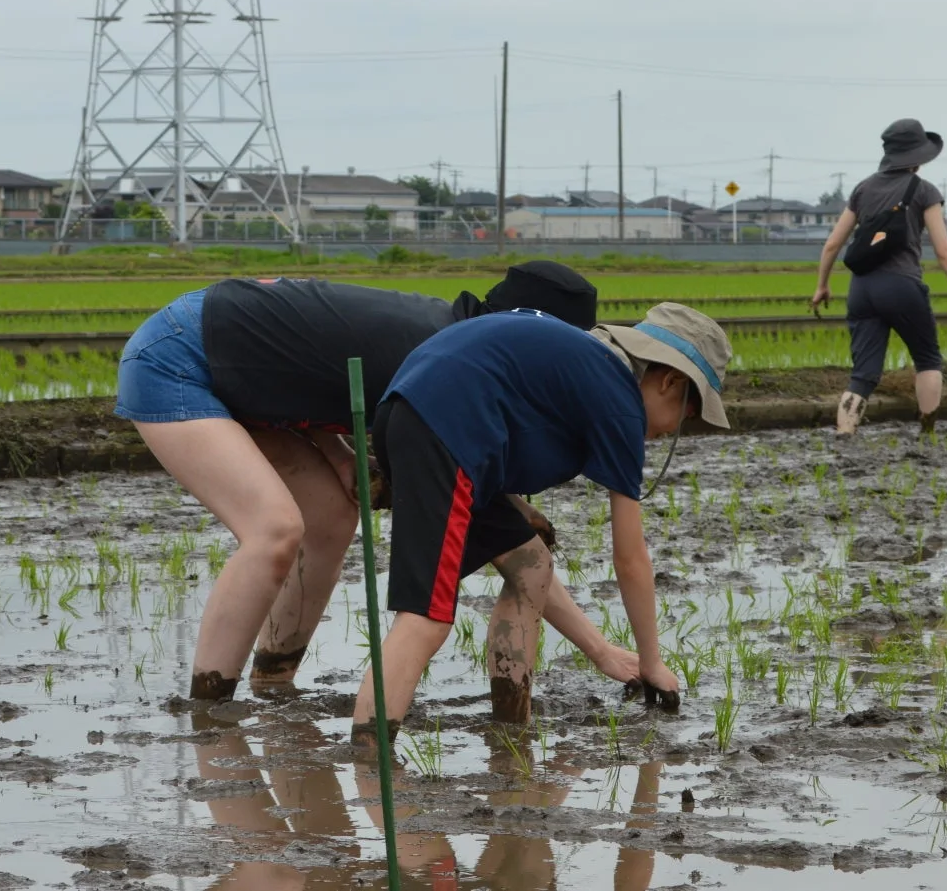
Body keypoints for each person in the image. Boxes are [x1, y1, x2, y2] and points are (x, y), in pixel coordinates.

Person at [116, 262, 600, 702]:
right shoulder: (448, 363)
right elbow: (491, 527)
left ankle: (273, 680)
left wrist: (341, 453)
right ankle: (209, 708)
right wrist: (600, 648)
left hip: (241, 373)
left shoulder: (454, 343)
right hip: (177, 357)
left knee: (330, 516)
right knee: (274, 529)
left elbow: (309, 371)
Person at [351, 303, 732, 733]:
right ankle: (370, 761)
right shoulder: (621, 402)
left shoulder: (590, 362)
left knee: (529, 563)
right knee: (426, 617)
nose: (682, 425)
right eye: (690, 412)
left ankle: (511, 729)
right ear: (670, 381)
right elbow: (630, 558)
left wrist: (603, 653)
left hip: (413, 414)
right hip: (445, 433)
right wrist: (652, 662)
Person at [810, 119, 947, 437]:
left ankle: (844, 434)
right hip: (902, 286)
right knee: (927, 358)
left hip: (861, 289)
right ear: (918, 156)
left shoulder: (863, 189)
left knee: (863, 374)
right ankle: (927, 434)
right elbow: (944, 251)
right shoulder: (924, 191)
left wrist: (822, 285)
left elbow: (833, 243)